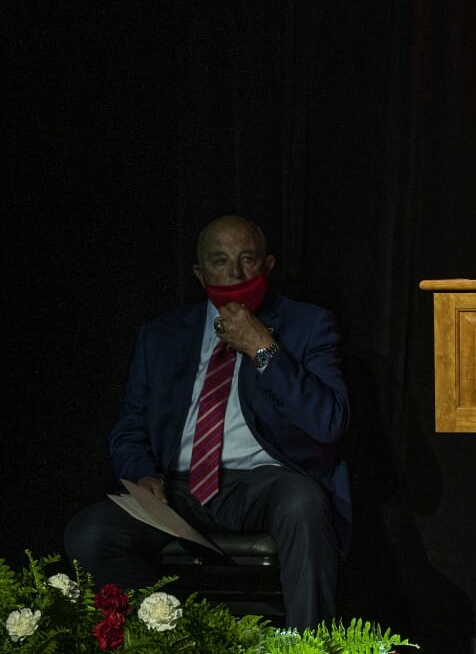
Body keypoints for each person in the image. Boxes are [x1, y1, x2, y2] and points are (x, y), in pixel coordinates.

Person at [65, 214, 351, 631]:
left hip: (266, 483)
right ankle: (189, 634)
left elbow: (329, 422)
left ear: (268, 265)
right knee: (88, 533)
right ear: (200, 274)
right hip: (176, 490)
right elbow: (130, 427)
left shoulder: (308, 325)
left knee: (304, 501)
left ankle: (309, 643)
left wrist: (264, 349)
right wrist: (143, 475)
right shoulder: (161, 335)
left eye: (247, 259)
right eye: (219, 261)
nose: (234, 273)